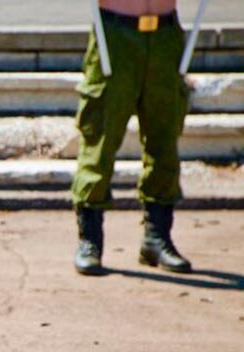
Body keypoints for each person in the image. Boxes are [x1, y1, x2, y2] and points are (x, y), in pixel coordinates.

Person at [72, 0, 193, 275]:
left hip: (165, 34)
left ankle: (157, 237)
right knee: (101, 137)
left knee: (165, 139)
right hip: (115, 34)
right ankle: (90, 240)